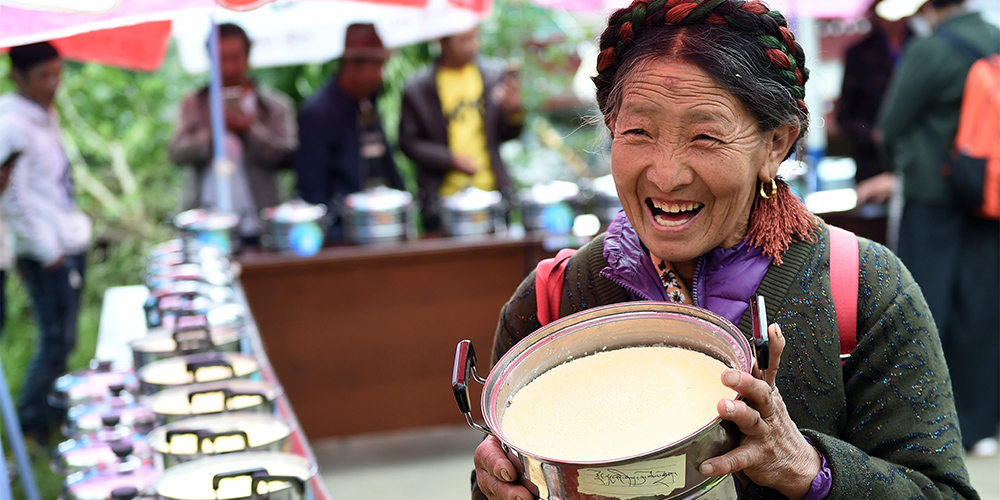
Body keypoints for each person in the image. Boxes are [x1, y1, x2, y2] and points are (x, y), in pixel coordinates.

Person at [473, 0, 979, 498]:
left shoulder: (863, 289)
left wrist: (807, 467)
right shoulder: (553, 302)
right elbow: (505, 478)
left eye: (705, 137)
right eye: (637, 132)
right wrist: (495, 485)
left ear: (776, 144)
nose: (666, 174)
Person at [877, 0, 1000, 458]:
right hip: (990, 196)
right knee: (984, 307)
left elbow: (890, 124)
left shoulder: (932, 51)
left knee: (924, 305)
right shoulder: (995, 38)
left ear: (929, 6)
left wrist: (904, 164)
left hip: (934, 196)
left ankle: (931, 423)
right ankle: (981, 425)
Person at [0, 42, 91, 443]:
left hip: (64, 240)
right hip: (45, 251)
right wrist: (46, 250)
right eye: (44, 76)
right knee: (54, 339)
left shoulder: (41, 115)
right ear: (16, 76)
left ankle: (52, 418)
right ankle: (33, 427)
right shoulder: (12, 124)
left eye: (57, 73)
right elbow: (11, 198)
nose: (53, 84)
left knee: (65, 339)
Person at [168, 22, 297, 248]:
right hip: (206, 224)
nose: (228, 67)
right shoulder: (195, 104)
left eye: (235, 57)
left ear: (247, 56)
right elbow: (176, 153)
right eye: (221, 58)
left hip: (260, 223)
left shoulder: (274, 106)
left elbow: (288, 156)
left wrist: (249, 129)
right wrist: (212, 132)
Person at [398, 24, 523, 232]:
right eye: (463, 40)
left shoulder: (493, 75)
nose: (472, 46)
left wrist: (514, 112)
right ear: (441, 41)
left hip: (491, 195)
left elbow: (508, 133)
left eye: (474, 38)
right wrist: (449, 159)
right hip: (443, 200)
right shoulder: (418, 87)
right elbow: (408, 142)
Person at [295, 23, 404, 240]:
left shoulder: (366, 103)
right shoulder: (319, 113)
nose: (380, 76)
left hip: (379, 225)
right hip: (343, 235)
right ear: (352, 65)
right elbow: (312, 187)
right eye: (376, 67)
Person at [836, 0, 910, 208]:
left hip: (915, 163)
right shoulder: (859, 54)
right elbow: (845, 116)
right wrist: (873, 134)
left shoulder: (921, 45)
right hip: (873, 164)